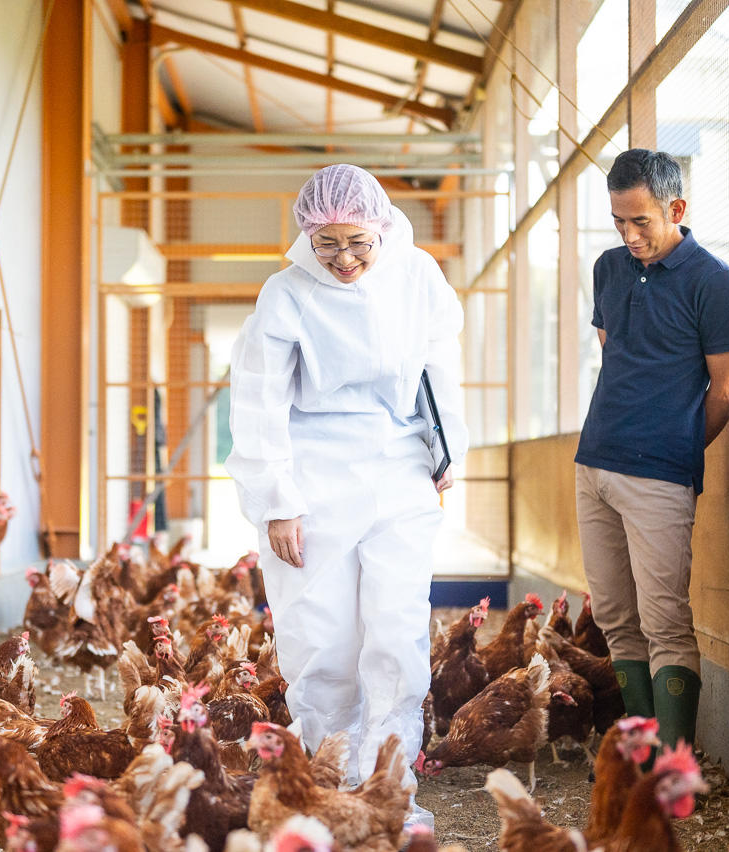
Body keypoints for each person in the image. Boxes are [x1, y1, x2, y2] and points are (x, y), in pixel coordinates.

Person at [226, 164, 467, 828]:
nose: (344, 258)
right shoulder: (285, 294)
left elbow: (440, 366)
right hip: (313, 477)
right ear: (307, 235)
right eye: (326, 243)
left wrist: (449, 449)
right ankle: (333, 788)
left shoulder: (416, 278)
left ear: (382, 226)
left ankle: (389, 792)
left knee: (394, 634)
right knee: (322, 641)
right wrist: (276, 498)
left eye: (357, 240)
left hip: (397, 470)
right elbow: (259, 400)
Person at [575, 149, 729, 751]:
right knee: (617, 620)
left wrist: (672, 447)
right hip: (593, 463)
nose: (628, 235)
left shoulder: (715, 282)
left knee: (666, 624)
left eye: (640, 221)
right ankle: (642, 758)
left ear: (676, 209)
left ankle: (676, 767)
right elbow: (615, 352)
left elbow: (726, 389)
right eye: (619, 222)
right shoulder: (608, 268)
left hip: (660, 476)